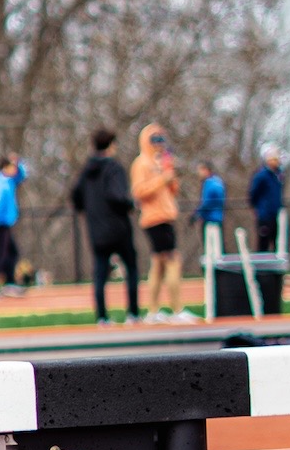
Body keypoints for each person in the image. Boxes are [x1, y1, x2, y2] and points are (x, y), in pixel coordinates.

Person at [71, 128, 140, 325]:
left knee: (100, 272)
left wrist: (90, 210)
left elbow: (75, 197)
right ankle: (133, 313)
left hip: (96, 229)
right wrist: (130, 204)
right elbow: (116, 195)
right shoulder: (113, 168)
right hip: (118, 228)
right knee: (131, 268)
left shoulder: (86, 171)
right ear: (111, 145)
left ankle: (102, 316)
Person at [130, 124, 192, 323]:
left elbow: (171, 190)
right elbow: (139, 192)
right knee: (172, 260)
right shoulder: (142, 164)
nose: (158, 145)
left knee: (159, 264)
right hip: (154, 218)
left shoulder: (160, 163)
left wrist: (170, 176)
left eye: (161, 140)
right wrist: (161, 180)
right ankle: (176, 309)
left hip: (166, 215)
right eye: (154, 140)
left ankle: (154, 310)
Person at [0, 155, 27, 296]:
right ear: (5, 167)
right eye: (12, 166)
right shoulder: (1, 183)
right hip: (0, 223)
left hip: (6, 223)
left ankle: (9, 282)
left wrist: (18, 161)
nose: (14, 169)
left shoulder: (9, 181)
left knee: (11, 252)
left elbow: (22, 175)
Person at [248, 146, 285, 254]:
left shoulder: (279, 175)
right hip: (264, 215)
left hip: (276, 214)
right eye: (275, 159)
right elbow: (253, 193)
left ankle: (274, 268)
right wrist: (259, 207)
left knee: (276, 241)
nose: (277, 162)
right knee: (263, 241)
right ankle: (261, 267)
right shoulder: (261, 175)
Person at [192, 161, 226, 252]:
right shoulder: (217, 181)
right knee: (218, 245)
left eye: (200, 170)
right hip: (218, 218)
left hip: (211, 219)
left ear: (206, 170)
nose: (199, 173)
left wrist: (197, 214)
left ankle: (214, 265)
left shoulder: (210, 183)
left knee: (212, 247)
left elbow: (207, 202)